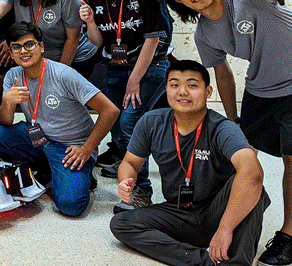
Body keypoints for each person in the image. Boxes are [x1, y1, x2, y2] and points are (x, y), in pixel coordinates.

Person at [164, 0, 292, 266]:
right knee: (242, 158)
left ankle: (289, 236)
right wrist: (232, 120)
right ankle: (225, 220)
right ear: (177, 0)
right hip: (260, 88)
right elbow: (222, 73)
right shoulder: (204, 34)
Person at [110, 60, 269, 266]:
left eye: (192, 85)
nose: (182, 91)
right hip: (178, 211)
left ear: (208, 91)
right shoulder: (151, 122)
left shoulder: (223, 128)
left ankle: (236, 263)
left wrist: (225, 228)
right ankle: (202, 261)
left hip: (219, 211)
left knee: (252, 186)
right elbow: (129, 162)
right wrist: (126, 180)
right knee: (122, 223)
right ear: (166, 89)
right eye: (174, 85)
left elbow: (252, 173)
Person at [0, 22, 119, 217]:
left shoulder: (63, 74)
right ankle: (50, 170)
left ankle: (80, 174)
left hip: (71, 148)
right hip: (39, 138)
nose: (23, 51)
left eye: (29, 45)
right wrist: (7, 102)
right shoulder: (13, 75)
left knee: (70, 206)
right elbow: (5, 123)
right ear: (11, 52)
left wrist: (86, 148)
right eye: (16, 47)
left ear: (41, 47)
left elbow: (110, 110)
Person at [79, 0, 170, 205]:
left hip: (149, 65)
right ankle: (127, 173)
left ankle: (142, 191)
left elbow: (153, 39)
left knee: (131, 123)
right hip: (116, 67)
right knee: (117, 126)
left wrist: (134, 80)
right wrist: (89, 22)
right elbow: (97, 42)